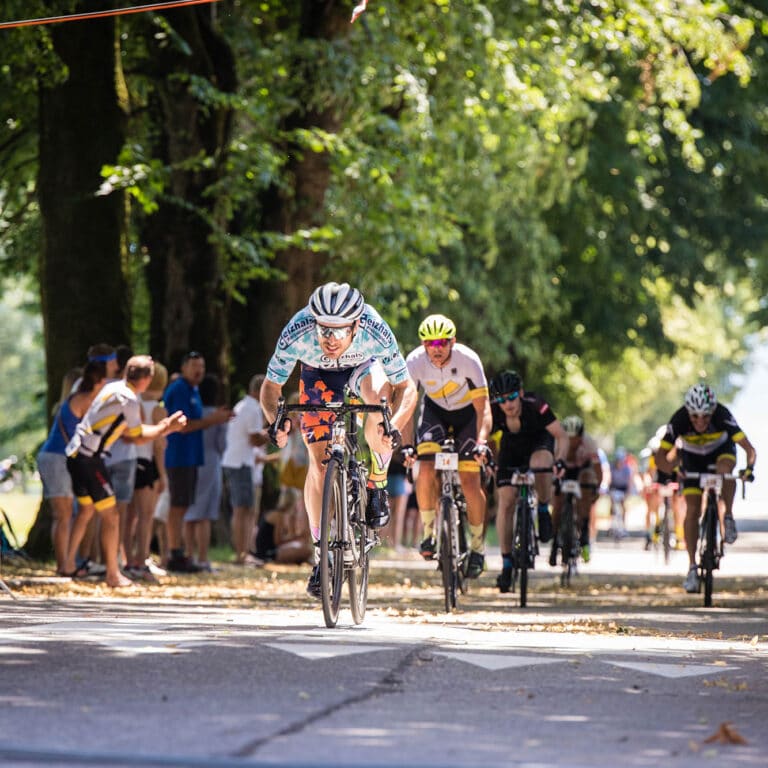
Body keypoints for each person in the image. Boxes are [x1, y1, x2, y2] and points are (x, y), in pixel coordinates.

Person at [260, 281, 418, 599]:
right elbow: (270, 388)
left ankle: (377, 482)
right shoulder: (297, 331)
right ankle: (322, 555)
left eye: (339, 330)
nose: (330, 339)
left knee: (379, 401)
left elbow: (407, 388)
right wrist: (274, 421)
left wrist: (394, 426)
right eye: (324, 329)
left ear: (356, 325)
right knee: (319, 465)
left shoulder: (375, 328)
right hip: (317, 374)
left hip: (363, 368)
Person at [63, 356, 187, 587]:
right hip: (90, 459)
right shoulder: (129, 399)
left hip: (75, 453)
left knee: (86, 510)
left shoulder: (113, 387)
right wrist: (166, 428)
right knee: (112, 516)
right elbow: (137, 437)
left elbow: (130, 432)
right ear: (147, 379)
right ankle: (113, 574)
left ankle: (68, 564)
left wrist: (162, 427)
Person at [400, 314, 491, 579]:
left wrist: (482, 442)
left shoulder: (468, 360)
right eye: (430, 343)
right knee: (425, 469)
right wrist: (408, 446)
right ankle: (429, 534)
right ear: (423, 344)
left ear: (452, 341)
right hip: (435, 413)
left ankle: (477, 548)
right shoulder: (414, 361)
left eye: (442, 342)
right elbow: (407, 408)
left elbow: (483, 409)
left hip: (468, 416)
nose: (436, 348)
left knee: (470, 479)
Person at [655, 383, 756, 593]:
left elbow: (749, 449)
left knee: (725, 470)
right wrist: (673, 473)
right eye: (695, 417)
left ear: (713, 412)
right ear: (688, 413)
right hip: (692, 459)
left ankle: (727, 516)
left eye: (706, 416)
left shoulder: (722, 414)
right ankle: (692, 567)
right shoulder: (679, 419)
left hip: (720, 453)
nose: (700, 421)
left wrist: (748, 469)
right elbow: (661, 457)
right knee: (692, 510)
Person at [488, 370, 568, 593]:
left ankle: (543, 508)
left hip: (538, 443)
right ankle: (506, 564)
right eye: (502, 399)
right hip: (511, 449)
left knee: (541, 463)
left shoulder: (536, 405)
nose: (508, 404)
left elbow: (561, 436)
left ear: (521, 393)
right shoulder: (494, 412)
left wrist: (560, 461)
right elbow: (483, 437)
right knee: (506, 500)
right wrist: (487, 460)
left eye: (512, 397)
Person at [163, 351, 232, 573]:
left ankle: (179, 553)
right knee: (178, 505)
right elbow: (182, 426)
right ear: (183, 367)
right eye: (193, 365)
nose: (198, 370)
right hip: (178, 456)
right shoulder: (180, 389)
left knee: (184, 506)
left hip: (192, 457)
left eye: (201, 366)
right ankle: (174, 553)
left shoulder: (193, 390)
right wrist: (213, 420)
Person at [37, 361, 107, 575]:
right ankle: (64, 565)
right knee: (64, 514)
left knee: (78, 511)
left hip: (63, 459)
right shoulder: (82, 401)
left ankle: (71, 561)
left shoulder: (74, 401)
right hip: (57, 458)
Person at [124, 361, 169, 581]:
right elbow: (159, 447)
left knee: (129, 516)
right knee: (146, 516)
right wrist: (162, 475)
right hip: (147, 464)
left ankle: (127, 559)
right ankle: (141, 560)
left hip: (130, 461)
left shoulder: (134, 401)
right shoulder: (159, 411)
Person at [221, 374, 269, 565]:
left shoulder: (242, 405)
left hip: (236, 461)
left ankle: (244, 550)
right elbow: (254, 439)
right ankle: (242, 553)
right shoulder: (252, 408)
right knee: (243, 509)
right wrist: (274, 432)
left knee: (244, 509)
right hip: (241, 462)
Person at [183, 374, 228, 571]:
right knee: (205, 514)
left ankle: (188, 555)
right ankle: (202, 557)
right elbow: (222, 445)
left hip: (192, 461)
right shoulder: (218, 417)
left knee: (189, 511)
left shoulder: (196, 413)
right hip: (211, 463)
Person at [550, 415, 603, 566]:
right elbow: (550, 469)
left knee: (586, 490)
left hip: (582, 470)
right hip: (563, 470)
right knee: (557, 503)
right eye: (569, 438)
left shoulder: (589, 443)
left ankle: (584, 536)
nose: (572, 442)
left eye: (575, 438)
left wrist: (596, 488)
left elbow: (598, 469)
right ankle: (554, 543)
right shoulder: (557, 443)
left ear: (581, 436)